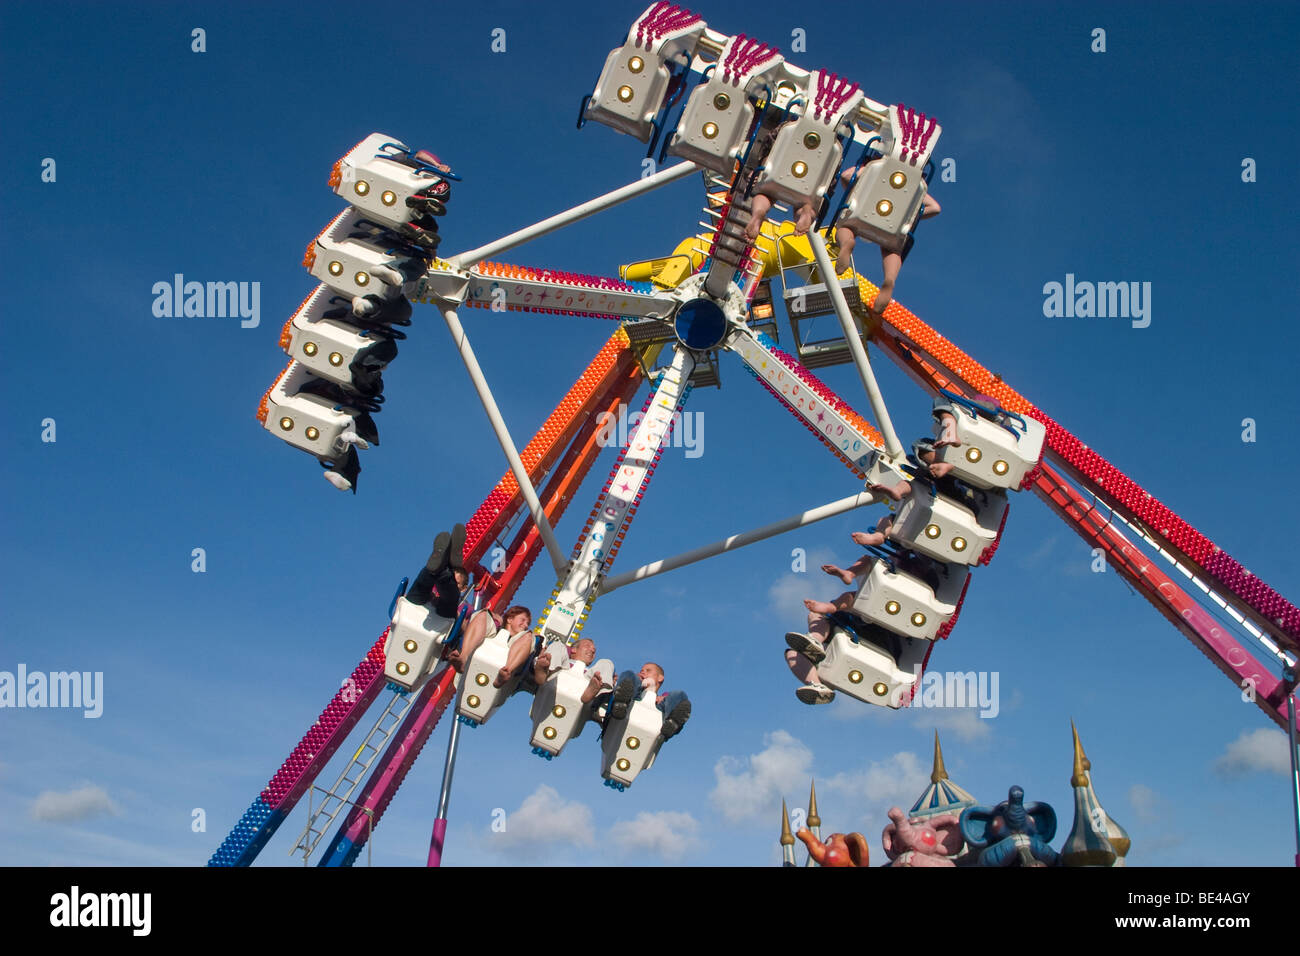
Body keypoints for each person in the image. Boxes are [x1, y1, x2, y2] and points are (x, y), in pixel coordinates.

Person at [832, 167, 940, 312]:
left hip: (865, 210)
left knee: (845, 227)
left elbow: (846, 176)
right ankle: (890, 278)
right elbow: (935, 208)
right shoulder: (915, 184)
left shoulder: (874, 168)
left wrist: (866, 167)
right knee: (892, 248)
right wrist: (910, 218)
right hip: (892, 219)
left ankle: (847, 243)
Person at [449, 604, 534, 688]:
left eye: (527, 623)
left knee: (528, 636)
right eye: (523, 620)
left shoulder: (526, 637)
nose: (526, 625)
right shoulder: (494, 628)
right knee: (483, 614)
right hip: (488, 641)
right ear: (510, 619)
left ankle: (506, 671)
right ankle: (463, 658)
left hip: (513, 649)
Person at [607, 662, 692, 740]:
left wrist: (662, 698)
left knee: (680, 695)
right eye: (641, 671)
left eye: (648, 671)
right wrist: (636, 681)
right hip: (634, 698)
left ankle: (672, 723)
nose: (643, 672)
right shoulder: (636, 682)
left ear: (660, 678)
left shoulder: (662, 698)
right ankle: (620, 704)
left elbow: (670, 698)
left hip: (656, 711)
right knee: (629, 674)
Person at [405, 524, 468, 618]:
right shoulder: (434, 589)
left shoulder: (466, 607)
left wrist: (458, 616)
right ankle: (441, 563)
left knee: (449, 600)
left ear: (464, 588)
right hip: (417, 608)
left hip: (442, 618)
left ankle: (444, 565)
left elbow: (466, 627)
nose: (455, 583)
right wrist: (432, 598)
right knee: (424, 585)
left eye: (456, 583)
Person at [533, 638, 614, 705]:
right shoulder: (564, 660)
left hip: (586, 686)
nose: (592, 650)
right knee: (558, 644)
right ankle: (543, 672)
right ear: (574, 649)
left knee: (606, 662)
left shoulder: (593, 672)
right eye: (587, 646)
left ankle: (595, 693)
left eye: (594, 650)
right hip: (557, 675)